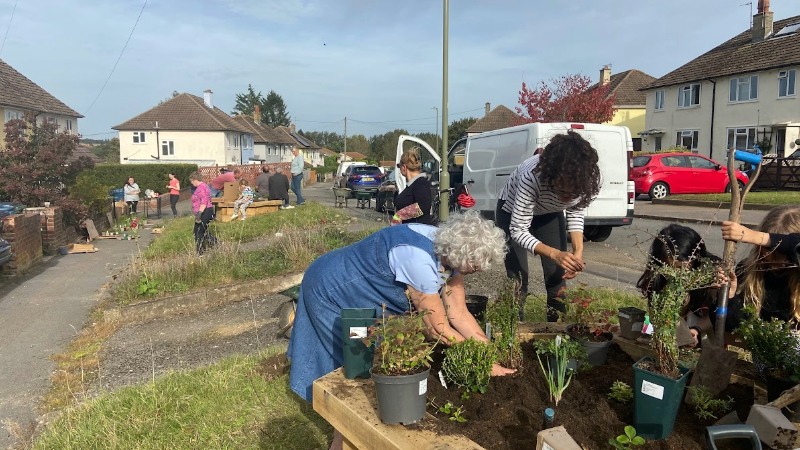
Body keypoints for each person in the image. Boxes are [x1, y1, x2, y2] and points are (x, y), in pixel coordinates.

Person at [287, 211, 516, 450]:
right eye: (476, 265)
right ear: (461, 252)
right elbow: (437, 328)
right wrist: (480, 362)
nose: (477, 270)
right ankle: (342, 442)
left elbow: (459, 313)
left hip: (362, 295)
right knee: (353, 364)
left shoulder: (449, 251)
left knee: (368, 358)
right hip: (333, 289)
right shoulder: (417, 258)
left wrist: (488, 351)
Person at [496, 131, 601, 321]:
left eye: (572, 192)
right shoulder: (532, 176)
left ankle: (557, 332)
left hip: (548, 214)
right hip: (512, 213)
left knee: (556, 277)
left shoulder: (589, 179)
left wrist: (577, 251)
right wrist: (555, 253)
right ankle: (513, 330)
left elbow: (575, 211)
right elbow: (518, 229)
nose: (565, 197)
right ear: (550, 174)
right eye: (560, 189)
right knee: (519, 278)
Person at [637, 224, 725, 347]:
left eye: (680, 267)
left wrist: (696, 330)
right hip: (674, 331)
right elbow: (655, 313)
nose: (675, 273)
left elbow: (719, 313)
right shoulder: (658, 276)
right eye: (669, 267)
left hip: (706, 332)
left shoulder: (712, 272)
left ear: (696, 259)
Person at [720, 205, 800, 328]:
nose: (770, 255)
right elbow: (733, 327)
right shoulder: (748, 272)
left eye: (779, 249)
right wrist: (729, 298)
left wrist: (759, 237)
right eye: (766, 248)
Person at [394, 148, 433, 225]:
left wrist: (400, 215)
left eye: (399, 166)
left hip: (417, 232)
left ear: (404, 167)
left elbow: (424, 205)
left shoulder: (420, 183)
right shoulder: (413, 185)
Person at [189, 172, 217, 255]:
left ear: (195, 180)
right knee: (203, 231)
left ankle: (200, 252)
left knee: (198, 232)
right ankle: (216, 244)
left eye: (191, 181)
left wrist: (199, 213)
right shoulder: (205, 186)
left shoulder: (201, 188)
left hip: (205, 211)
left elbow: (204, 201)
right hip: (207, 211)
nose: (191, 183)